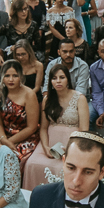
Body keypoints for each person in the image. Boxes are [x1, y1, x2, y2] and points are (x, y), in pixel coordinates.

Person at [23, 62, 89, 190]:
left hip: (72, 143)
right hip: (49, 142)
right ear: (50, 82)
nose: (58, 81)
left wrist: (70, 149)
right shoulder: (47, 99)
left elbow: (84, 131)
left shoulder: (79, 98)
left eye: (62, 77)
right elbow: (43, 128)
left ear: (68, 80)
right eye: (54, 78)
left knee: (61, 168)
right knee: (31, 164)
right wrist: (46, 147)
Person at [0, 59, 40, 165]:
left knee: (11, 159)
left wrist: (9, 142)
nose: (11, 79)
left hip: (26, 137)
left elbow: (32, 127)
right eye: (7, 76)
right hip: (3, 136)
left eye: (15, 76)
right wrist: (3, 139)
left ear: (21, 76)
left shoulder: (29, 94)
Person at [0, 0, 44, 64]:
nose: (24, 12)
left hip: (29, 58)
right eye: (20, 10)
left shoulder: (33, 25)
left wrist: (28, 49)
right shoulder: (9, 26)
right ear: (15, 11)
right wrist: (8, 49)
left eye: (25, 9)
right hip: (13, 59)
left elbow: (38, 46)